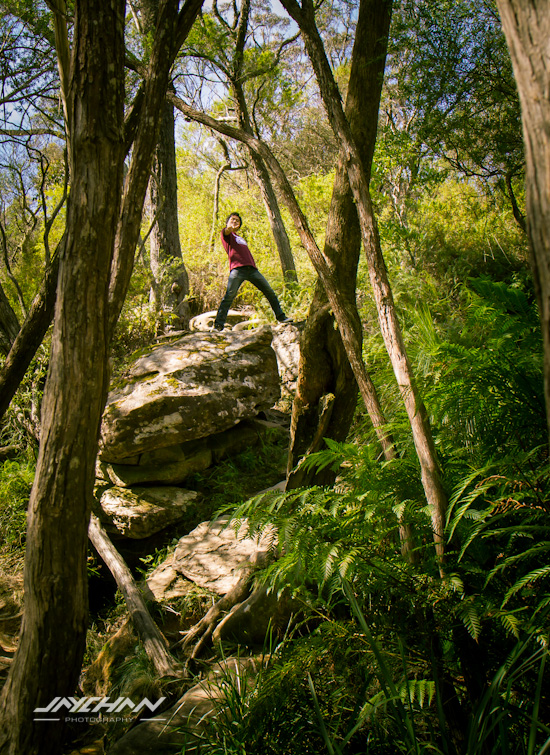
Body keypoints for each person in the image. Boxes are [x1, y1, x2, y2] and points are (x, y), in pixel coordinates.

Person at [213, 212, 291, 331]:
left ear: (239, 225)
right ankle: (218, 326)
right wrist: (229, 227)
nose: (235, 222)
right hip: (237, 270)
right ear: (227, 223)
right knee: (229, 296)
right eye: (232, 220)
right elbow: (227, 231)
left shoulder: (240, 238)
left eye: (237, 221)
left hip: (252, 269)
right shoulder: (227, 235)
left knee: (269, 292)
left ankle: (281, 317)